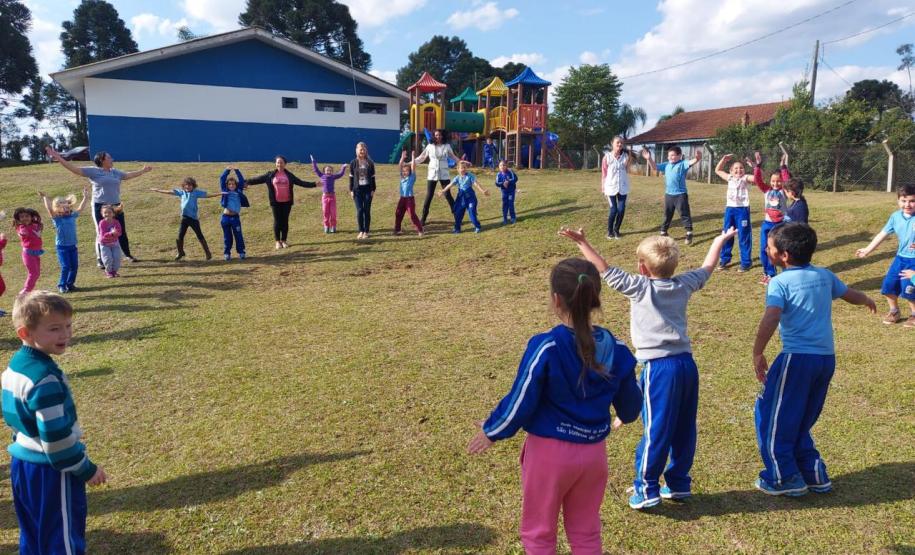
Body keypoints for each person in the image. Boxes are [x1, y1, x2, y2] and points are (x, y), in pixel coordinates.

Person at [467, 258, 642, 554]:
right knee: (586, 532)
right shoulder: (619, 348)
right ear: (595, 297)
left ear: (556, 299)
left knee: (539, 532)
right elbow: (630, 409)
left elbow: (521, 398)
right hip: (593, 456)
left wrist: (492, 430)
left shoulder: (546, 345)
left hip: (550, 456)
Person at [561, 224, 737, 509]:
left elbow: (603, 269)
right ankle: (679, 483)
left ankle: (646, 488)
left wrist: (582, 242)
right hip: (687, 366)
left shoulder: (639, 287)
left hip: (660, 369)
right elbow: (707, 266)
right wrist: (718, 240)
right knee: (683, 427)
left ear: (642, 268)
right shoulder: (684, 284)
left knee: (656, 429)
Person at [753, 223, 876, 495]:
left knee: (771, 415)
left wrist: (758, 351)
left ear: (783, 255)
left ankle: (784, 478)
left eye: (769, 247)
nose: (765, 249)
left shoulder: (779, 282)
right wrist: (866, 299)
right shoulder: (825, 276)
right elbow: (850, 294)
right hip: (825, 361)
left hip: (796, 360)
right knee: (801, 418)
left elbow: (772, 316)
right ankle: (813, 474)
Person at [2, 291, 107, 554]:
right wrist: (86, 469)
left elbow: (12, 417)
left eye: (68, 326)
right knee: (61, 537)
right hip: (51, 471)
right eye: (54, 328)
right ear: (25, 333)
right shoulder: (44, 379)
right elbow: (57, 445)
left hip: (22, 465)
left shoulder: (14, 366)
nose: (65, 334)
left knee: (34, 532)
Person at [45, 146, 152, 266]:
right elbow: (74, 169)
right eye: (109, 157)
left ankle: (127, 254)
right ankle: (100, 259)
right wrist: (59, 157)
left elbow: (128, 175)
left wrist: (143, 171)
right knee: (101, 231)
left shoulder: (115, 172)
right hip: (100, 206)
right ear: (102, 160)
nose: (112, 159)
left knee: (121, 230)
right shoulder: (94, 171)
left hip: (115, 205)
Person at [854, 183, 915, 327]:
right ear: (898, 201)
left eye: (912, 201)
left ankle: (914, 315)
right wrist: (867, 250)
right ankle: (894, 311)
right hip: (900, 259)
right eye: (904, 200)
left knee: (909, 288)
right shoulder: (895, 217)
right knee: (888, 285)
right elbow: (883, 234)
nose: (907, 204)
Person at [246, 155, 316, 249]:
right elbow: (257, 180)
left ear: (285, 164)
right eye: (278, 162)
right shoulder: (270, 175)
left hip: (287, 202)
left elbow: (301, 182)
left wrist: (314, 184)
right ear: (275, 164)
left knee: (285, 221)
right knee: (277, 221)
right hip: (275, 202)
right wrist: (244, 182)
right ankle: (277, 241)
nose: (279, 164)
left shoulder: (289, 175)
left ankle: (284, 241)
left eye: (281, 162)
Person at [150, 177, 221, 261]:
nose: (188, 187)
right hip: (184, 218)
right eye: (186, 185)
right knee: (179, 237)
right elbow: (169, 192)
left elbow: (208, 195)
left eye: (190, 185)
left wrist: (220, 193)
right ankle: (180, 252)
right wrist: (157, 190)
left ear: (193, 186)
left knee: (199, 235)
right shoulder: (182, 192)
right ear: (184, 186)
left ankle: (208, 253)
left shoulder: (196, 193)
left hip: (193, 219)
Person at [642, 146, 702, 245]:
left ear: (679, 156)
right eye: (669, 155)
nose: (670, 157)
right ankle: (663, 232)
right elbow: (654, 167)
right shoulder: (666, 165)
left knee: (684, 214)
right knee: (667, 214)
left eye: (673, 155)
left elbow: (691, 162)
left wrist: (697, 158)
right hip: (669, 195)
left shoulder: (682, 164)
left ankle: (689, 233)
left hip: (680, 195)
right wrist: (649, 158)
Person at [39, 188, 89, 293]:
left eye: (66, 206)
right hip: (62, 247)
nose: (65, 208)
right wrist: (45, 197)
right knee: (66, 266)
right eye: (61, 206)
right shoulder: (57, 218)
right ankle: (62, 285)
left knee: (74, 266)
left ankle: (70, 284)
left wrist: (85, 197)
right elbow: (49, 208)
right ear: (57, 209)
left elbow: (80, 208)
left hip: (72, 246)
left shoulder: (72, 216)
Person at [751, 151, 791, 284]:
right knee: (765, 249)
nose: (776, 183)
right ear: (770, 181)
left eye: (778, 181)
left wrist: (783, 167)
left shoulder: (783, 192)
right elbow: (757, 180)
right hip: (767, 224)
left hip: (780, 225)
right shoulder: (766, 190)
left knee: (779, 250)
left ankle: (786, 272)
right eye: (773, 181)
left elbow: (787, 181)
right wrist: (758, 165)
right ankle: (769, 273)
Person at [714, 154, 753, 272]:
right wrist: (723, 160)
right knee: (727, 234)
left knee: (744, 236)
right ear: (731, 171)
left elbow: (757, 178)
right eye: (735, 168)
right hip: (730, 209)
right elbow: (718, 170)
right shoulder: (729, 178)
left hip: (742, 210)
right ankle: (725, 259)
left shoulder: (745, 178)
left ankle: (746, 262)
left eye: (741, 167)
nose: (738, 170)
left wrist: (754, 166)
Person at [415, 129, 461, 226]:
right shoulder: (430, 146)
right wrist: (410, 163)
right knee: (429, 195)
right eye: (436, 135)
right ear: (433, 136)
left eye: (439, 135)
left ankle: (457, 215)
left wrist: (461, 162)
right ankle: (423, 218)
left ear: (442, 136)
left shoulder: (447, 146)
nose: (438, 137)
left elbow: (453, 157)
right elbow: (421, 158)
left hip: (444, 173)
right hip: (432, 174)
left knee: (447, 194)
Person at [439, 161, 489, 233]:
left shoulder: (470, 176)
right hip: (461, 198)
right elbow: (450, 185)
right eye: (462, 168)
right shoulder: (457, 178)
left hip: (470, 198)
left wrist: (483, 191)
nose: (463, 169)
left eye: (465, 167)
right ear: (458, 169)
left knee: (472, 214)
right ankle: (457, 228)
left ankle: (477, 226)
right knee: (458, 213)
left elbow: (476, 184)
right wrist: (443, 190)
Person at [601, 137, 632, 239]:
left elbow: (627, 170)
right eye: (617, 142)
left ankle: (616, 230)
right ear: (612, 144)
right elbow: (604, 174)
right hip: (610, 188)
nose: (619, 144)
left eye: (621, 143)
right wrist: (603, 187)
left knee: (621, 210)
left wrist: (629, 159)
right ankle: (609, 231)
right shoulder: (607, 157)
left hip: (623, 187)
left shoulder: (625, 156)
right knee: (613, 210)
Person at [310, 155, 347, 234]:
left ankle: (333, 226)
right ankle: (326, 226)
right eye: (327, 170)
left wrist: (343, 167)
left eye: (330, 170)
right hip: (325, 197)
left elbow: (340, 174)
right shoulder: (322, 176)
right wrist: (313, 161)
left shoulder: (333, 177)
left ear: (332, 171)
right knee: (325, 212)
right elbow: (316, 169)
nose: (328, 171)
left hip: (332, 196)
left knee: (333, 212)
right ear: (324, 171)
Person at [219, 167, 249, 260]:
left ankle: (241, 252)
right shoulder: (225, 190)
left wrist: (237, 170)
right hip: (225, 218)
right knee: (227, 237)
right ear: (227, 185)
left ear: (236, 185)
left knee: (238, 236)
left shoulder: (238, 190)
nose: (231, 185)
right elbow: (222, 178)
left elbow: (241, 180)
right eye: (229, 184)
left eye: (233, 184)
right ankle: (227, 253)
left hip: (235, 218)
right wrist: (227, 170)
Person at [349, 142, 377, 239]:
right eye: (360, 149)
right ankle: (360, 230)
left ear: (366, 151)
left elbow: (373, 177)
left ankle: (366, 231)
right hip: (357, 190)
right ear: (357, 150)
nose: (362, 151)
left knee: (367, 210)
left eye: (364, 149)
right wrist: (351, 190)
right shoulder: (353, 163)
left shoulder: (370, 163)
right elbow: (351, 178)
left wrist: (373, 189)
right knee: (360, 210)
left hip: (368, 189)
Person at [12, 208, 43, 295]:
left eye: (27, 216)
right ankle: (25, 291)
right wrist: (22, 233)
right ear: (18, 219)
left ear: (31, 217)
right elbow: (22, 233)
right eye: (22, 217)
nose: (25, 218)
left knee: (36, 274)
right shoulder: (22, 227)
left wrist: (38, 225)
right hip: (28, 254)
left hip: (36, 253)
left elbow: (38, 228)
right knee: (33, 273)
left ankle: (28, 291)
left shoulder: (34, 225)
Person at [395, 151, 423, 236]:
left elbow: (413, 166)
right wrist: (402, 157)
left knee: (412, 214)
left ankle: (420, 230)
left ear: (410, 172)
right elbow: (400, 166)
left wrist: (413, 156)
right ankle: (397, 230)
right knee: (398, 213)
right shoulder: (402, 177)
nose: (404, 172)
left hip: (409, 199)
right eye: (403, 171)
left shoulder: (412, 177)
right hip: (402, 198)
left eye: (406, 171)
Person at [96, 205, 122, 277]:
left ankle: (114, 271)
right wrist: (112, 233)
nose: (107, 214)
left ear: (113, 214)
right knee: (108, 258)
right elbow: (103, 235)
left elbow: (119, 232)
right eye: (105, 213)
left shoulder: (116, 222)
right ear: (102, 214)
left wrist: (116, 233)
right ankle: (108, 271)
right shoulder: (102, 223)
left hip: (115, 243)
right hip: (104, 244)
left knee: (117, 258)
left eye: (109, 212)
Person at [496, 160, 518, 225]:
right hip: (504, 192)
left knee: (511, 204)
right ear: (499, 167)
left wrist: (508, 182)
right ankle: (505, 218)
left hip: (511, 191)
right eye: (500, 165)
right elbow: (497, 183)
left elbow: (515, 179)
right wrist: (503, 183)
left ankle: (513, 218)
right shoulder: (498, 174)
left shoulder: (510, 172)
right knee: (505, 204)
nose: (502, 166)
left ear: (506, 166)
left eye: (504, 165)